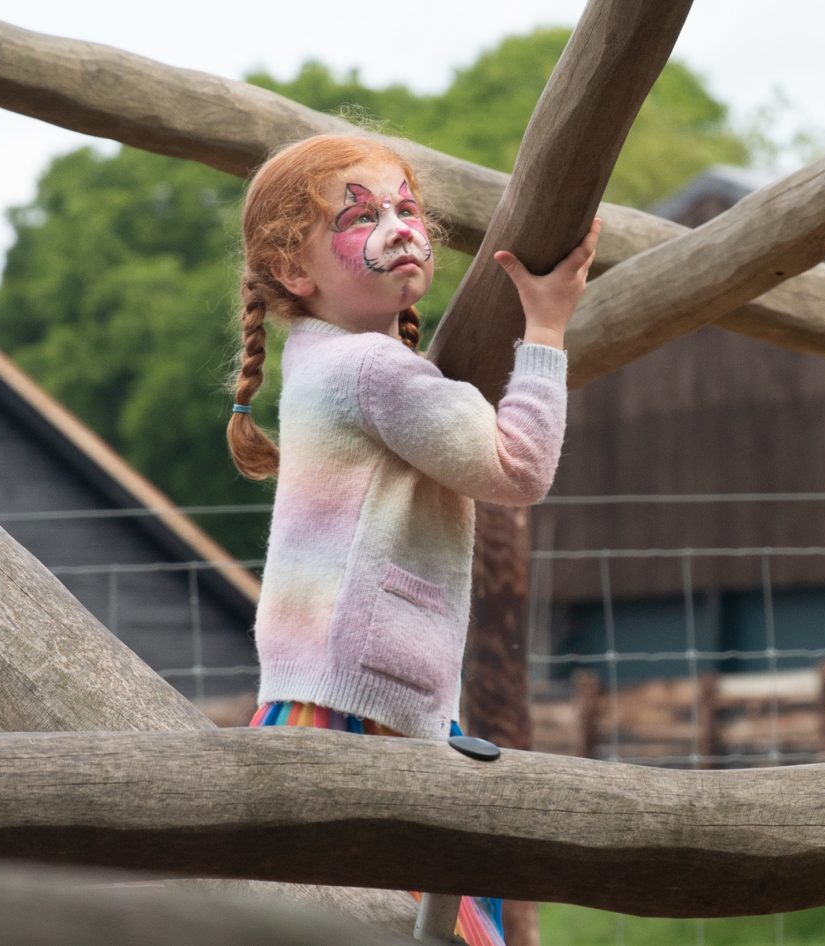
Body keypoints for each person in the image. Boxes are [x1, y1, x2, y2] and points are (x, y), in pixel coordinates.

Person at [227, 133, 600, 945]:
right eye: (361, 217)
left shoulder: (318, 356)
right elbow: (520, 467)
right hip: (368, 703)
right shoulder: (376, 371)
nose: (399, 227)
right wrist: (545, 328)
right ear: (296, 271)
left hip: (314, 690)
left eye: (406, 207)